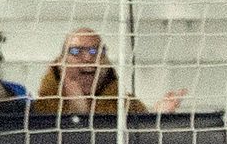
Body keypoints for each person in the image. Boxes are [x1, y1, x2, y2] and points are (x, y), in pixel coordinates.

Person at [31, 29, 186, 115]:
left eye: (95, 51)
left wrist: (157, 117)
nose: (87, 58)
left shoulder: (127, 106)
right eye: (76, 51)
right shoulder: (39, 110)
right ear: (61, 63)